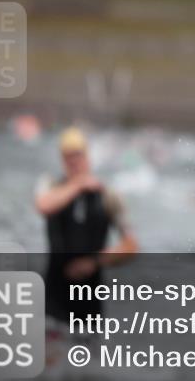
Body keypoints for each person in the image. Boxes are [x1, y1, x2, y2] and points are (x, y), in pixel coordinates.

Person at [35, 127, 138, 333]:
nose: (73, 161)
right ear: (62, 159)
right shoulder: (51, 185)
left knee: (86, 359)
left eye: (77, 155)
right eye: (68, 156)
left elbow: (131, 245)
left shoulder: (108, 195)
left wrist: (95, 261)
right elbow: (44, 206)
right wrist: (78, 185)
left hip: (90, 300)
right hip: (54, 297)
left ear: (87, 155)